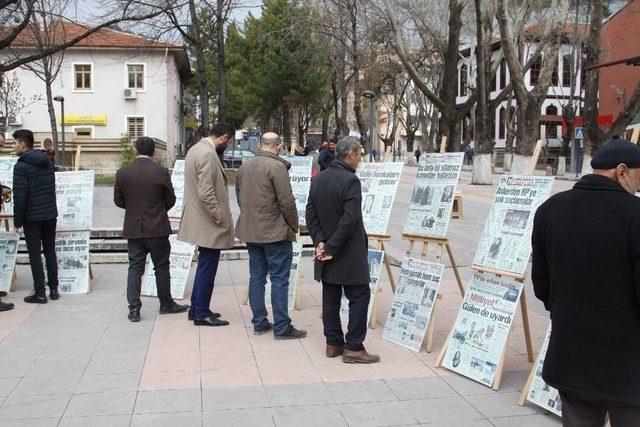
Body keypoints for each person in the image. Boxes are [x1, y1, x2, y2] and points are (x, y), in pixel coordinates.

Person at [532, 138, 640, 425]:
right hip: (627, 362)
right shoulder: (635, 215)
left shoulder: (549, 209)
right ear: (622, 171)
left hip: (571, 355)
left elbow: (541, 285)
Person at [306, 136, 380, 364]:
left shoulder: (319, 178)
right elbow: (350, 220)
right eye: (359, 154)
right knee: (359, 295)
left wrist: (320, 241)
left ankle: (333, 343)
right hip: (346, 251)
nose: (360, 159)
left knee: (331, 295)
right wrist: (330, 246)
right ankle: (354, 346)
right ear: (351, 154)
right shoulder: (350, 181)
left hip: (327, 249)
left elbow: (311, 214)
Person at [235, 132, 307, 339]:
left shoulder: (244, 166)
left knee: (257, 276)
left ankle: (259, 323)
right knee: (279, 279)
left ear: (260, 146)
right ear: (278, 147)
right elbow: (286, 201)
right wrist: (294, 225)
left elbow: (239, 196)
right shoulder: (277, 167)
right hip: (275, 231)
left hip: (251, 230)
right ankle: (282, 327)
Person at [114, 136, 189, 322]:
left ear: (135, 151)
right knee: (161, 267)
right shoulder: (161, 172)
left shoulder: (123, 172)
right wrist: (158, 210)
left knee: (135, 268)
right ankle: (166, 304)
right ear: (154, 152)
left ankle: (134, 309)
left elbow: (118, 200)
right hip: (157, 228)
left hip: (133, 228)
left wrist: (133, 209)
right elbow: (171, 199)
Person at [178, 121, 235, 327]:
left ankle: (197, 307)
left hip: (200, 219)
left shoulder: (196, 149)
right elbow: (206, 192)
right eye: (228, 142)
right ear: (224, 137)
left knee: (205, 265)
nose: (227, 146)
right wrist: (220, 216)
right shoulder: (208, 154)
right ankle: (201, 312)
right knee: (207, 267)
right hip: (208, 222)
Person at [12, 129, 58, 303]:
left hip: (32, 217)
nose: (13, 146)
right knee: (50, 251)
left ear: (23, 144)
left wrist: (17, 221)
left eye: (15, 143)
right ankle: (54, 289)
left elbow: (20, 196)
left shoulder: (21, 166)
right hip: (50, 214)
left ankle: (40, 293)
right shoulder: (46, 161)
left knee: (34, 254)